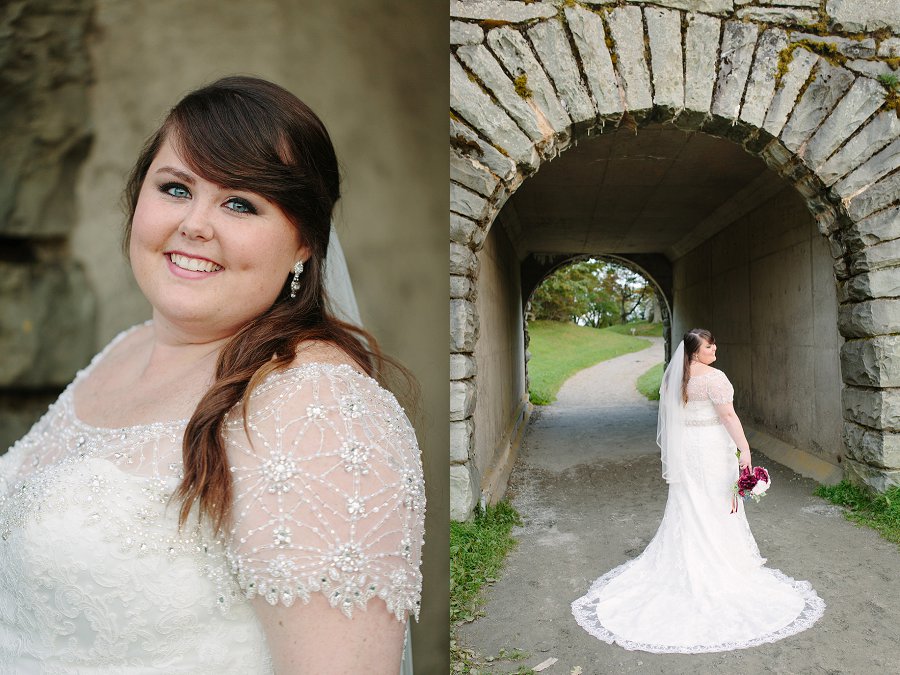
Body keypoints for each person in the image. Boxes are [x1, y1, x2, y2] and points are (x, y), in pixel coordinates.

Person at [0, 76, 424, 674]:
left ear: (304, 242)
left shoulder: (319, 409)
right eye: (176, 188)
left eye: (240, 203)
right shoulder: (124, 350)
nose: (196, 224)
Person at [572, 328, 824, 653]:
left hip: (687, 449)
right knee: (716, 502)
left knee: (690, 502)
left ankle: (689, 556)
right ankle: (720, 561)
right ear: (694, 352)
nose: (714, 347)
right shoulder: (715, 378)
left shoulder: (674, 378)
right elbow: (728, 415)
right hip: (710, 449)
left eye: (714, 342)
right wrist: (745, 448)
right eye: (709, 345)